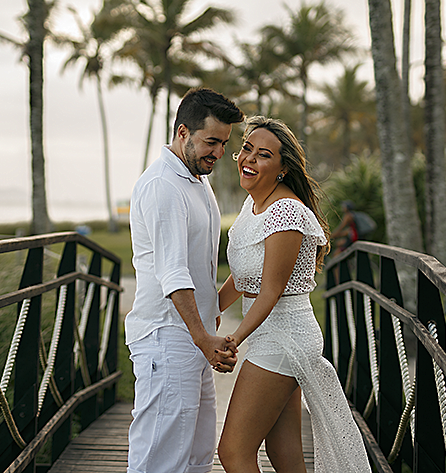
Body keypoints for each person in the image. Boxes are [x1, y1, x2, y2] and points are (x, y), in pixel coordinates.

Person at [217, 116, 372, 473]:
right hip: (270, 336)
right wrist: (210, 310)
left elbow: (270, 292)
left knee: (234, 452)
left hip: (284, 338)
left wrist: (233, 340)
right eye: (247, 150)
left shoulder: (286, 212)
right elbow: (244, 278)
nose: (249, 160)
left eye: (264, 155)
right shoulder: (253, 205)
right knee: (284, 455)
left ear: (283, 168)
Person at [125, 87, 245, 473]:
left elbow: (201, 271)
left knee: (195, 456)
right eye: (211, 141)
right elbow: (174, 273)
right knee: (160, 460)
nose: (219, 153)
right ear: (183, 133)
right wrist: (204, 338)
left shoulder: (196, 179)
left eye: (224, 144)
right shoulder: (163, 186)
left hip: (193, 337)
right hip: (168, 337)